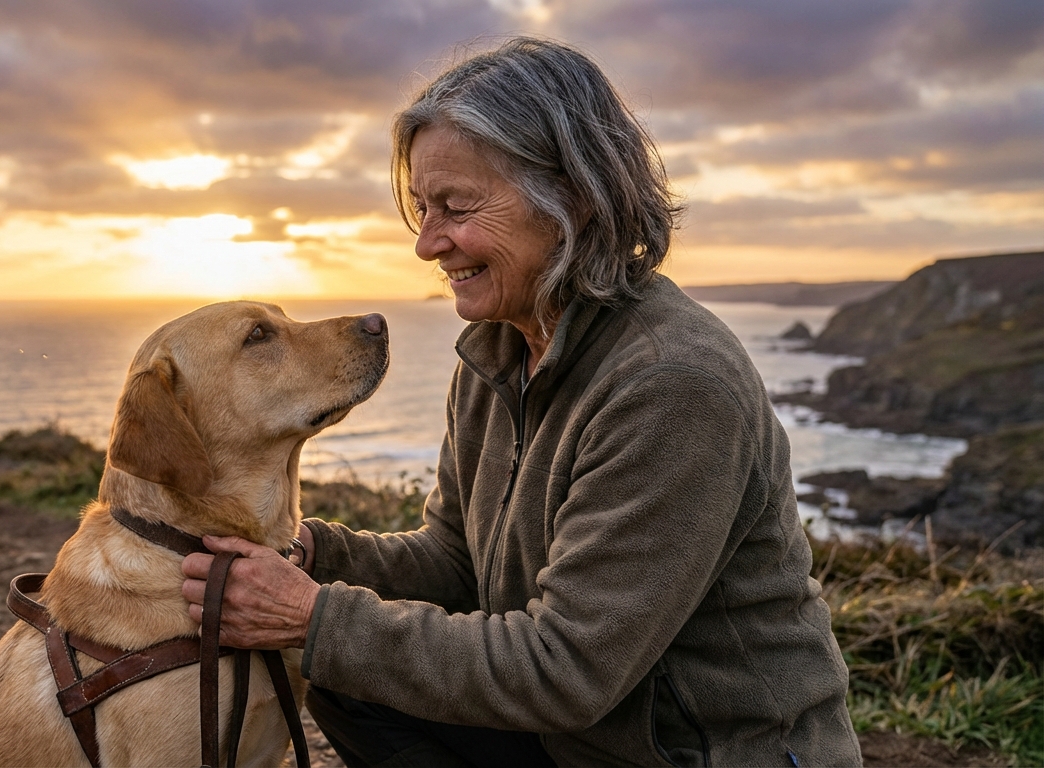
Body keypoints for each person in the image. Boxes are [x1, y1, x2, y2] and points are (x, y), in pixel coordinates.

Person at [182, 36, 861, 767]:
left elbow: (566, 669)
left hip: (710, 755)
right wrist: (314, 553)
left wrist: (310, 616)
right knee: (353, 677)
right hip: (580, 741)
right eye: (422, 208)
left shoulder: (672, 385)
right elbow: (456, 564)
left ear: (570, 195)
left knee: (337, 645)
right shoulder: (499, 351)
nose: (429, 243)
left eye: (456, 205)